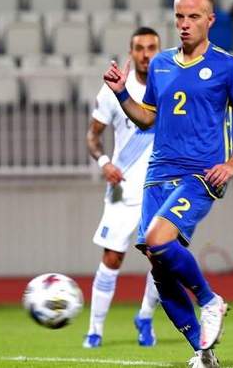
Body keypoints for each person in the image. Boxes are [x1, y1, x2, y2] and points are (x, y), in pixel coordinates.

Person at [103, 0, 233, 368]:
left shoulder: (227, 65)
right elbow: (148, 118)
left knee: (158, 240)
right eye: (179, 16)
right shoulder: (160, 64)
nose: (185, 23)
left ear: (210, 20)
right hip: (157, 174)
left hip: (201, 174)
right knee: (159, 266)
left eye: (194, 16)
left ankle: (210, 300)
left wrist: (232, 165)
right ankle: (203, 353)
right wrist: (122, 94)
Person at [83, 27, 162, 349]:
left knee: (162, 258)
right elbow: (93, 135)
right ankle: (95, 330)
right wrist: (104, 163)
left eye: (151, 47)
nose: (146, 54)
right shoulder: (114, 91)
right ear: (131, 52)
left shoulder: (169, 87)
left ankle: (145, 317)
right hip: (123, 188)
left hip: (158, 188)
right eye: (140, 48)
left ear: (159, 51)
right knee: (112, 258)